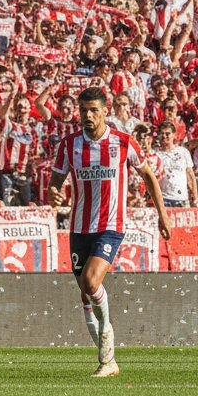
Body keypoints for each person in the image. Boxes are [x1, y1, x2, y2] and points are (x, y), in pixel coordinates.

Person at [47, 87, 171, 377]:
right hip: (79, 227)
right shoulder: (69, 145)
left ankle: (107, 345)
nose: (87, 116)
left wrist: (162, 214)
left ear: (105, 111)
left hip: (110, 227)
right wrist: (54, 193)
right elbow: (55, 181)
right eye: (83, 111)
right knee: (85, 293)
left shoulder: (123, 142)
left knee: (91, 282)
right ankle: (108, 361)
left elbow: (149, 177)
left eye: (93, 110)